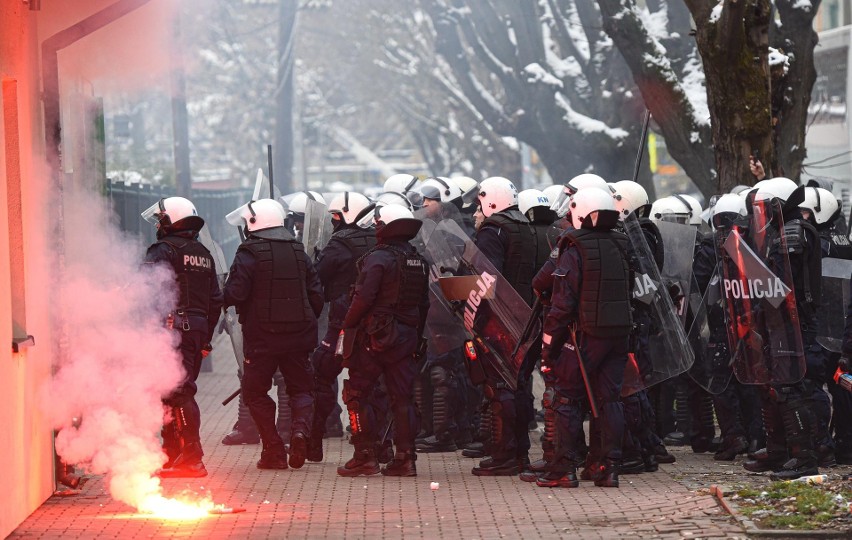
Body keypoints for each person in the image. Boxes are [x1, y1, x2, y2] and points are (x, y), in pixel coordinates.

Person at [536, 187, 633, 488]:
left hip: (584, 336)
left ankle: (564, 469)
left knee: (566, 397)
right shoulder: (622, 243)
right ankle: (607, 467)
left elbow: (562, 302)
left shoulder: (574, 246)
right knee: (610, 400)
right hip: (618, 335)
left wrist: (549, 343)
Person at [223, 199, 324, 470]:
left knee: (254, 391)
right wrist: (304, 319)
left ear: (254, 222)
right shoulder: (299, 251)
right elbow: (316, 295)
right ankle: (300, 432)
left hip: (261, 337)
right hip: (299, 336)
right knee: (302, 389)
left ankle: (273, 450)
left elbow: (235, 293)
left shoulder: (248, 252)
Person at [337, 205, 430, 477]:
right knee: (403, 398)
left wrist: (347, 325)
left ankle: (364, 457)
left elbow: (363, 298)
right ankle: (406, 459)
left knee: (356, 394)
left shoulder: (378, 258)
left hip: (375, 338)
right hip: (407, 337)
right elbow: (424, 304)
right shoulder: (418, 260)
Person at [142, 196, 223, 478]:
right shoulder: (203, 253)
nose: (158, 225)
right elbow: (215, 301)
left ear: (169, 220)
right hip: (196, 330)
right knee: (171, 392)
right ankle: (172, 455)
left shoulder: (162, 251)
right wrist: (205, 339)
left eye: (161, 219)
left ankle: (192, 458)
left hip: (171, 330)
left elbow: (148, 292)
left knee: (178, 391)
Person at [473, 176, 537, 475]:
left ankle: (505, 454)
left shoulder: (492, 229)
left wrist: (475, 316)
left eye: (479, 205)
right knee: (521, 385)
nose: (476, 213)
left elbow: (488, 278)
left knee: (501, 387)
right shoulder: (524, 225)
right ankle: (520, 452)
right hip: (526, 316)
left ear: (490, 200)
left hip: (501, 320)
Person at [308, 192, 376, 462]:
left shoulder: (338, 245)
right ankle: (381, 447)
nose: (334, 221)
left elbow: (318, 276)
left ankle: (315, 441)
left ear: (349, 215)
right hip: (373, 326)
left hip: (342, 324)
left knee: (322, 375)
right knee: (372, 385)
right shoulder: (378, 240)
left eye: (336, 216)